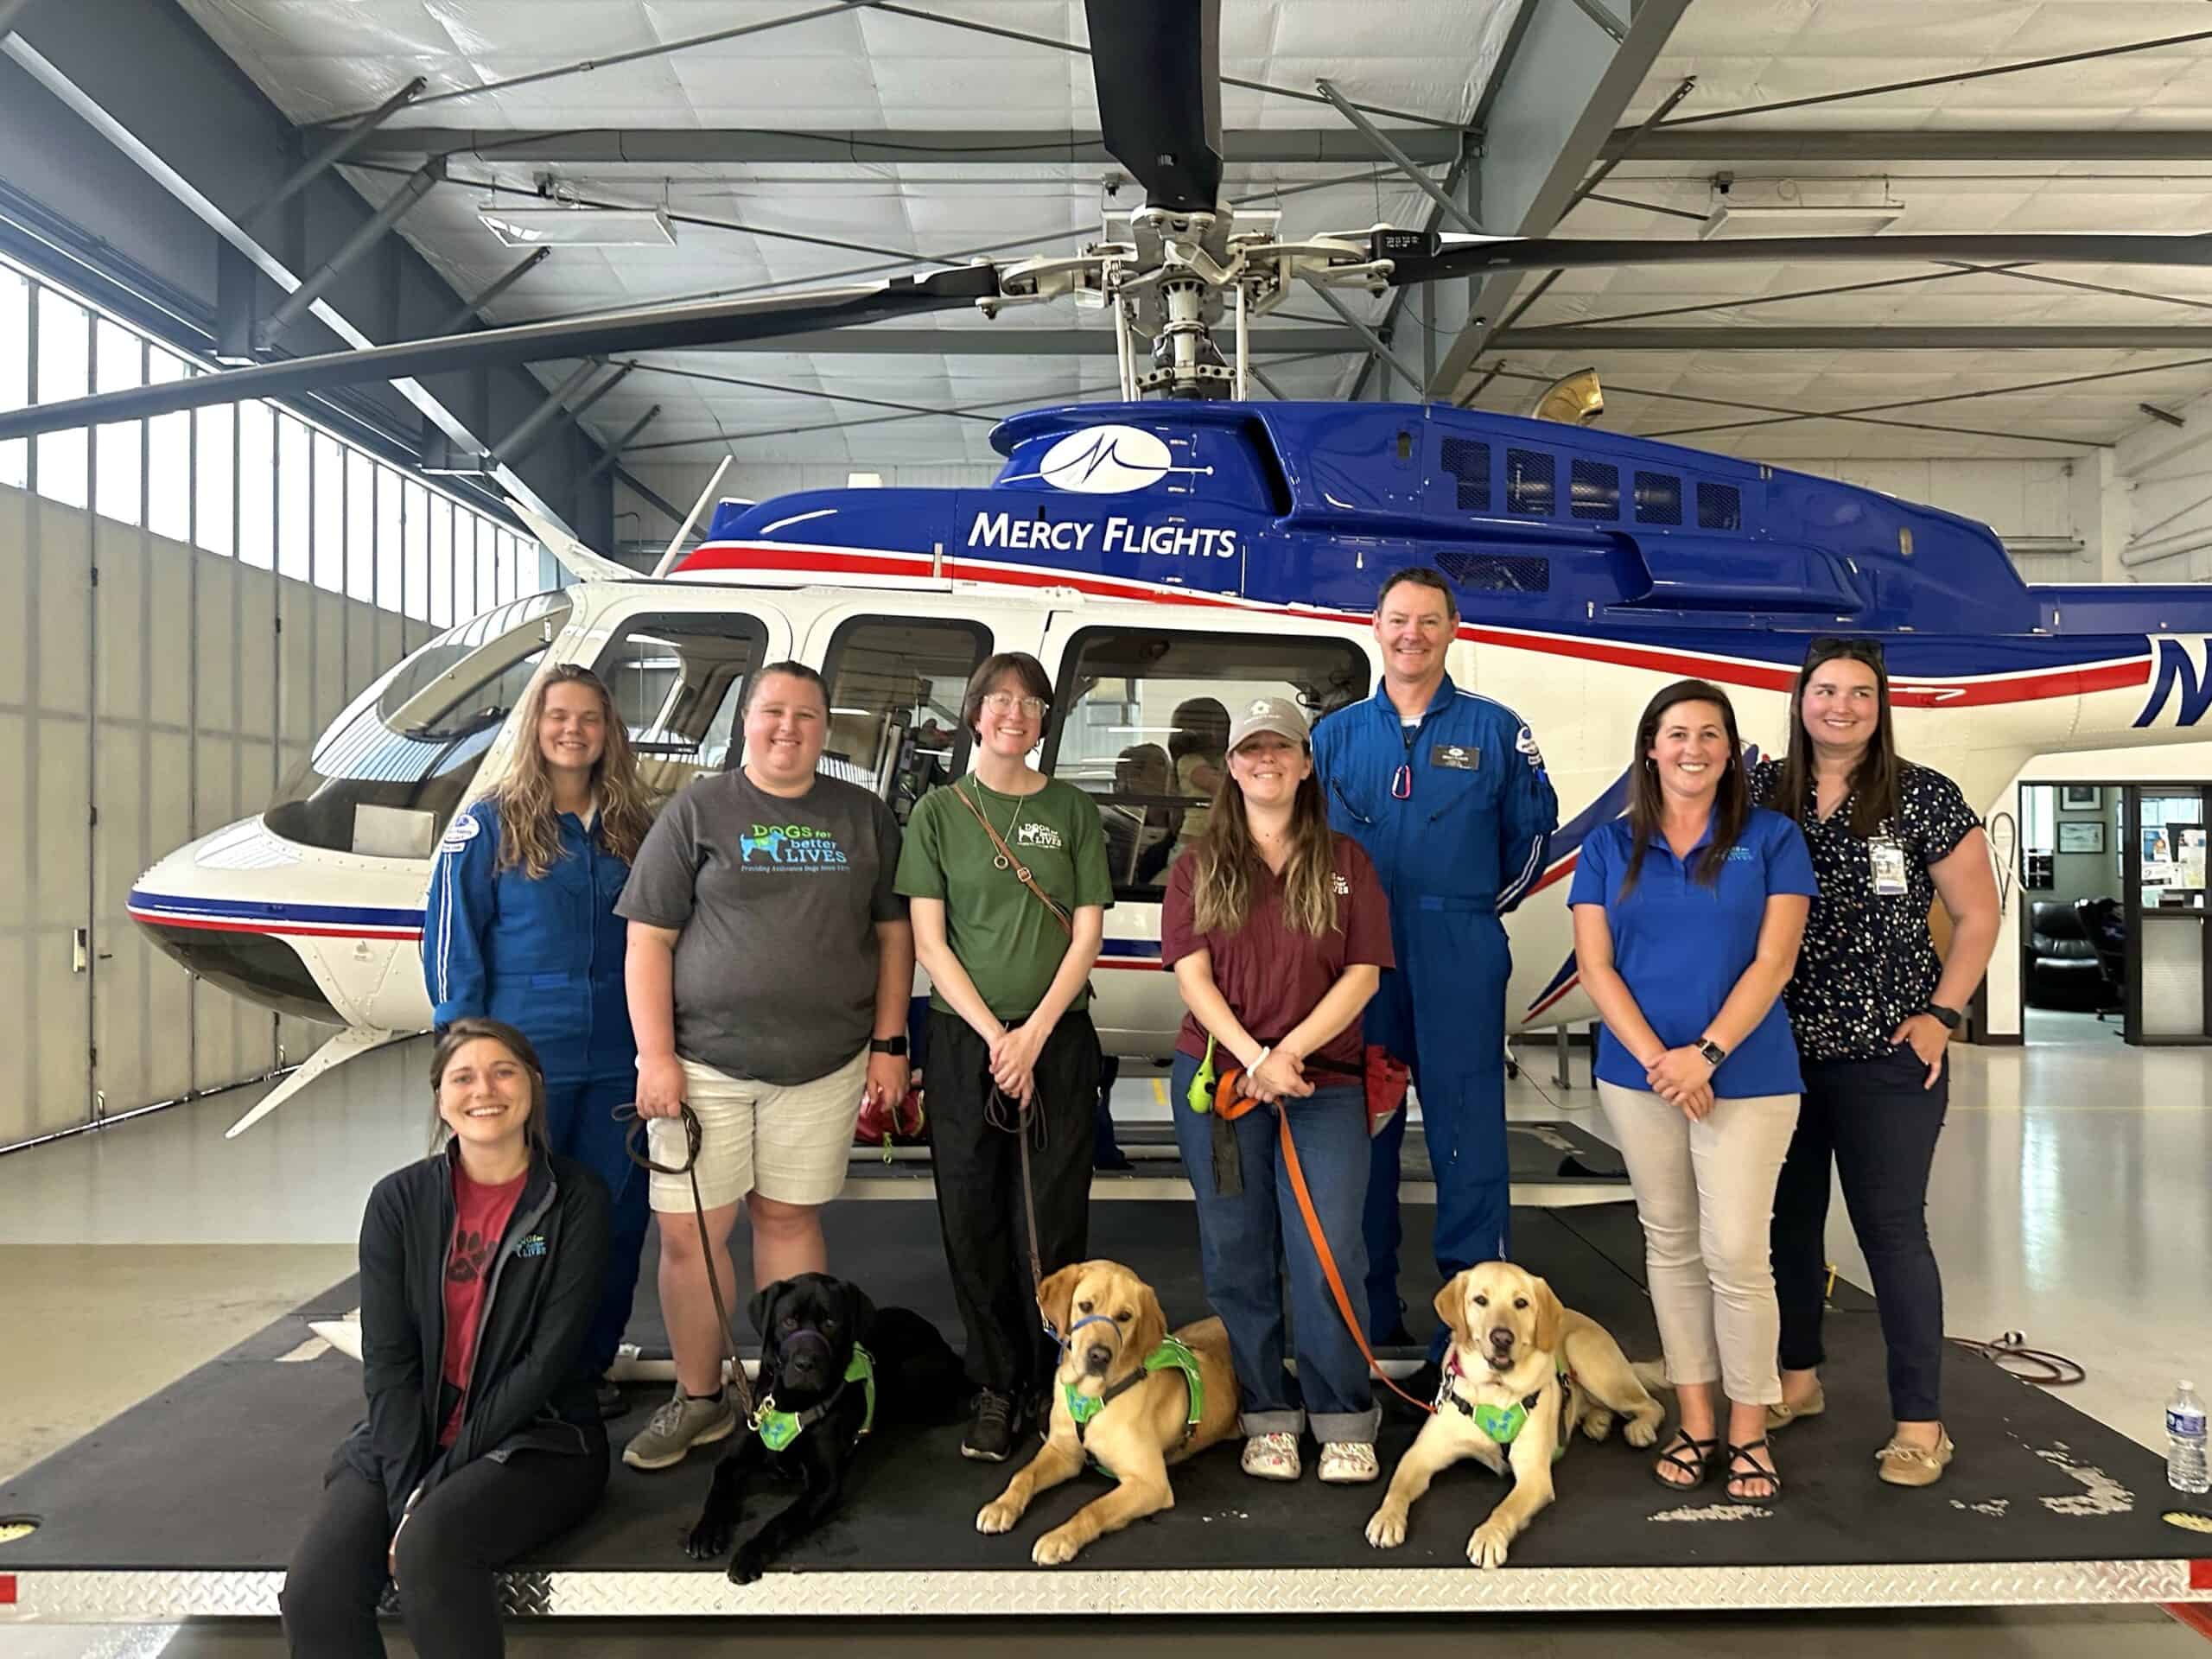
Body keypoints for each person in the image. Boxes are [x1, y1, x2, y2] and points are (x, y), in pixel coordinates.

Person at [616, 661, 913, 1471]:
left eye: (807, 715)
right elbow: (649, 938)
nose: (789, 728)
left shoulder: (864, 817)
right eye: (772, 712)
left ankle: (799, 1396)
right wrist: (655, 1057)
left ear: (828, 726)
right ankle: (701, 1399)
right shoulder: (698, 810)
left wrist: (891, 1045)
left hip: (823, 1066)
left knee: (788, 1222)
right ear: (746, 721)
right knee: (690, 1234)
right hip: (703, 1064)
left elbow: (895, 938)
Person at [1751, 637, 1999, 1489]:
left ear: (1880, 704)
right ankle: (1794, 1381)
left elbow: (1976, 914)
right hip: (1776, 1051)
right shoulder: (1760, 791)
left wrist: (1941, 1015)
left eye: (1860, 693)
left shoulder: (1922, 796)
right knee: (1785, 1226)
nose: (1842, 707)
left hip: (1887, 1053)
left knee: (1891, 1233)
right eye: (1826, 690)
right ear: (1801, 697)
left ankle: (1920, 1425)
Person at [281, 1020, 610, 1659]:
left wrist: (426, 1500)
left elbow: (546, 1363)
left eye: (503, 1072)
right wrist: (409, 1487)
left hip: (539, 1440)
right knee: (315, 1592)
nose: (483, 1089)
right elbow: (389, 1361)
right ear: (441, 1099)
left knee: (431, 1548)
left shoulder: (576, 1200)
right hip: (404, 1439)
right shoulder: (398, 1203)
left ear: (533, 1088)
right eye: (463, 1076)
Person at [1569, 680, 1816, 1503]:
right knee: (1670, 1246)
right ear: (1651, 746)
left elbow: (1774, 962)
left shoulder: (1773, 840)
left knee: (1739, 1254)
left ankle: (1751, 1428)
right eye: (1677, 734)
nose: (1693, 749)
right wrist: (1662, 1062)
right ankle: (1696, 1418)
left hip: (1747, 1077)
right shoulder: (1611, 846)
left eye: (1710, 735)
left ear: (1730, 750)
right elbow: (1596, 967)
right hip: (1642, 1081)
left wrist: (1704, 1055)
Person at [1311, 566, 1558, 1385]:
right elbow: (1306, 852)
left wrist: (1475, 912)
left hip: (1459, 948)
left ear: (1454, 629)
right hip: (1358, 964)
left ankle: (1475, 1331)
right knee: (1362, 1134)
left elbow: (1532, 838)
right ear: (1373, 628)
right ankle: (1368, 1306)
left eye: (1428, 620)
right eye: (1396, 619)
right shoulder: (1335, 737)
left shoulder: (1497, 731)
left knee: (1468, 1135)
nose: (1411, 633)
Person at [1162, 696, 1393, 1484]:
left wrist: (1286, 1054)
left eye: (1282, 749)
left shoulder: (1346, 864)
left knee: (1328, 1250)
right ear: (1231, 766)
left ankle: (1342, 1415)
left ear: (1304, 764)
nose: (1267, 761)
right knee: (1237, 1251)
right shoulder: (1197, 866)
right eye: (1251, 750)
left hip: (1322, 1086)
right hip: (1221, 1085)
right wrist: (1253, 1058)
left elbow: (1362, 976)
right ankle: (1265, 1413)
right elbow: (1193, 978)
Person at [897, 651, 1112, 1461]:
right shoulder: (940, 813)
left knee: (1056, 1215)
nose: (1014, 714)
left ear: (1044, 720)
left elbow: (1086, 931)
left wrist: (1033, 1035)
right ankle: (996, 1380)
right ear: (975, 713)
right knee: (972, 1212)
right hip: (965, 1043)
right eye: (999, 700)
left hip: (1056, 1037)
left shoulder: (1073, 810)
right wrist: (996, 1038)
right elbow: (929, 939)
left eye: (1030, 703)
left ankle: (1067, 1375)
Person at [420, 663, 652, 1414]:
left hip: (620, 1061)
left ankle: (584, 1370)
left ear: (609, 731)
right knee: (521, 1223)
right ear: (535, 724)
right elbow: (452, 934)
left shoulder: (634, 829)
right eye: (559, 715)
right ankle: (511, 1376)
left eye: (589, 717)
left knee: (613, 1221)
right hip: (525, 1061)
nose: (573, 730)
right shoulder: (488, 823)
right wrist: (466, 1050)